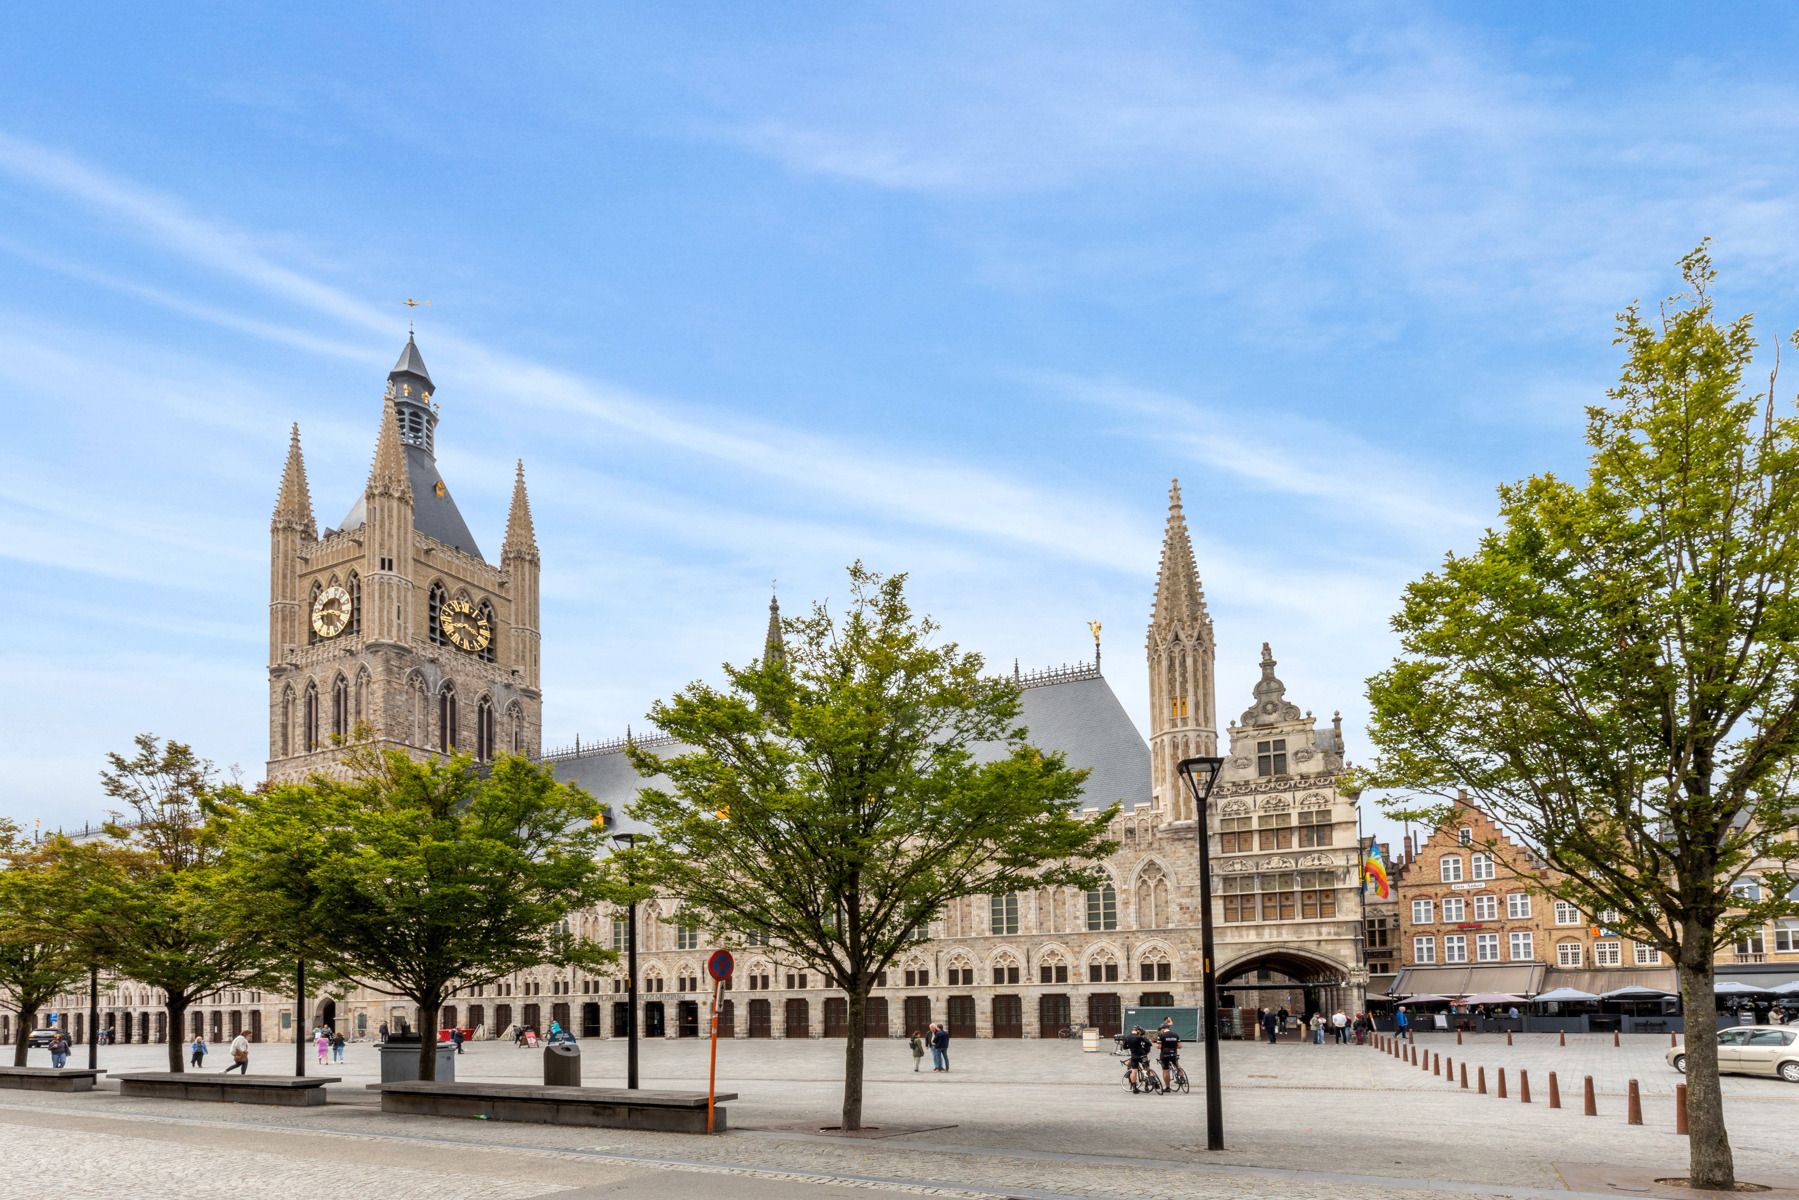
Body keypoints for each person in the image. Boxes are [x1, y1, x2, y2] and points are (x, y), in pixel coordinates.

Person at [1121, 1025, 1152, 1092]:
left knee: (1134, 1071)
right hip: (1142, 1056)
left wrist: (1131, 1045)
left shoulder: (1127, 1037)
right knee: (1147, 1068)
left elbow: (1124, 1047)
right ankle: (1150, 1084)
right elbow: (1149, 1043)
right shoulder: (1139, 1037)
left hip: (1134, 1056)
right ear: (1138, 1031)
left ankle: (1134, 1088)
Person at [1155, 1020, 1181, 1090]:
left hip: (1165, 1054)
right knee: (1177, 1065)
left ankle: (1167, 1087)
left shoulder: (1161, 1035)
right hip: (1174, 1053)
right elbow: (1179, 1046)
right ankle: (1181, 1077)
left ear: (1162, 1029)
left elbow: (1159, 1047)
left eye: (1160, 1030)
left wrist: (1157, 1044)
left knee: (1166, 1070)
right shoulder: (1176, 1034)